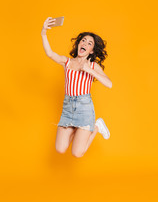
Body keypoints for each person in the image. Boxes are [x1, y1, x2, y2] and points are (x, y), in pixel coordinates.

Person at [41, 17, 112, 158]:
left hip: (84, 109)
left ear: (91, 51)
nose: (84, 43)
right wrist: (44, 32)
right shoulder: (66, 62)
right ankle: (78, 129)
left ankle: (97, 126)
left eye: (89, 43)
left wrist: (89, 71)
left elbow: (109, 84)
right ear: (79, 44)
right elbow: (50, 54)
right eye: (83, 40)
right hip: (68, 109)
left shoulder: (92, 66)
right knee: (60, 149)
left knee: (77, 153)